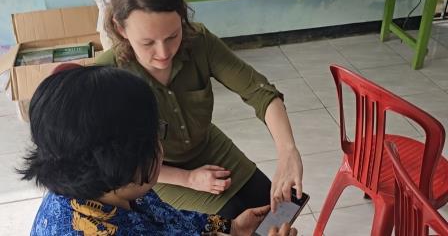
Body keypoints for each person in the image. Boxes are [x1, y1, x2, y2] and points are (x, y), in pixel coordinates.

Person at [18, 65, 298, 235]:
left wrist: (233, 229)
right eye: (155, 135)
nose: (161, 143)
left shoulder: (102, 184)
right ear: (123, 160)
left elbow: (171, 223)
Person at [96, 0, 304, 219]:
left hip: (207, 146)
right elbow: (111, 161)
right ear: (120, 29)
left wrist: (288, 151)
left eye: (173, 36)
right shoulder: (106, 75)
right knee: (227, 221)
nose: (164, 53)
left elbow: (258, 91)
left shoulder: (198, 41)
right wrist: (188, 178)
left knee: (281, 209)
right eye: (147, 43)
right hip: (155, 170)